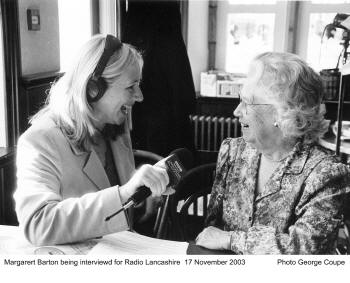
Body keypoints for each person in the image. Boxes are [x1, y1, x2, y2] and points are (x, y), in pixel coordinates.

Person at [14, 34, 169, 246]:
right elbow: (38, 224)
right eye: (131, 86)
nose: (140, 96)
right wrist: (125, 193)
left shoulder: (114, 126)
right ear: (93, 89)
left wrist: (143, 194)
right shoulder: (39, 141)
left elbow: (115, 203)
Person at [195, 52, 350, 254]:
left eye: (248, 102)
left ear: (282, 112)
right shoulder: (233, 151)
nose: (236, 111)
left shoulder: (326, 174)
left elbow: (305, 250)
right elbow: (211, 229)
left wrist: (232, 240)